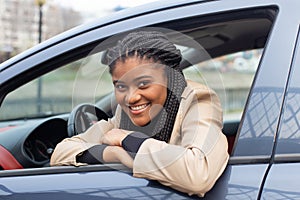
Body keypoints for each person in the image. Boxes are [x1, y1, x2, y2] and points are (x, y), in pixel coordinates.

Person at [50, 30, 229, 197]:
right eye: (121, 86)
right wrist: (115, 153)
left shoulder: (198, 99)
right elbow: (61, 153)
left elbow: (198, 175)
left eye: (143, 84)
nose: (131, 97)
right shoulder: (126, 111)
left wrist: (128, 139)